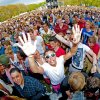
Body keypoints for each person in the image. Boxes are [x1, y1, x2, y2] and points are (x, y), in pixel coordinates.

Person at [16, 24, 81, 93]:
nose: (51, 58)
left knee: (67, 90)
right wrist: (30, 56)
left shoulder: (60, 59)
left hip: (64, 79)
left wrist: (75, 44)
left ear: (56, 55)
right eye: (47, 57)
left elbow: (72, 52)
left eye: (52, 55)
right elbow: (35, 70)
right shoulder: (45, 67)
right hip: (56, 85)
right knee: (60, 93)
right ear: (46, 60)